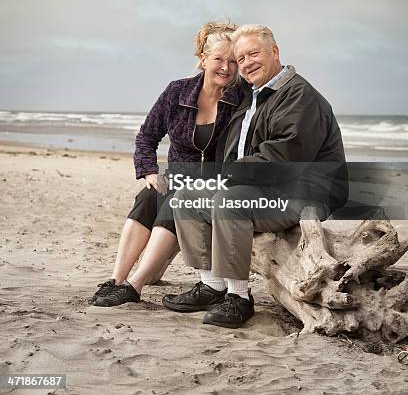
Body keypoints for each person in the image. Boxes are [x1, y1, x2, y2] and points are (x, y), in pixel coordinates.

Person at [163, 24, 348, 327]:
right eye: (242, 58)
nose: (247, 62)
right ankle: (212, 286)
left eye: (254, 53)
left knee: (229, 200)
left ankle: (239, 298)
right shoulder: (256, 95)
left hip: (302, 193)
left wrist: (226, 176)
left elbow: (282, 158)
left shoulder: (298, 95)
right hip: (265, 188)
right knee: (186, 197)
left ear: (275, 52)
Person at [89, 21, 241, 307]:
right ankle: (117, 280)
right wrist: (148, 171)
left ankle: (134, 286)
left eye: (233, 61)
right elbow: (146, 136)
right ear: (202, 59)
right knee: (148, 196)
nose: (226, 67)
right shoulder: (177, 92)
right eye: (219, 59)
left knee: (177, 201)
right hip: (179, 175)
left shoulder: (241, 98)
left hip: (216, 183)